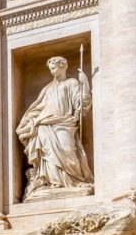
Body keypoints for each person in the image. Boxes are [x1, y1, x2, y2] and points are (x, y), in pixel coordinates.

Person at [16, 56, 92, 198]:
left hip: (64, 123)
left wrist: (85, 84)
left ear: (63, 66)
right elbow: (38, 107)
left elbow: (80, 105)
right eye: (50, 69)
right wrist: (29, 121)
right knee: (48, 154)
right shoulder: (48, 88)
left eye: (54, 67)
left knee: (68, 150)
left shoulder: (72, 83)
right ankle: (53, 183)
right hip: (45, 124)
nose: (51, 71)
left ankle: (75, 181)